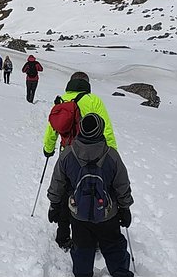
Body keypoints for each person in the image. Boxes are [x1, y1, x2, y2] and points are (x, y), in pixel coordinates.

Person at [47, 113, 134, 277]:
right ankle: (121, 273)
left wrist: (54, 205)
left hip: (79, 214)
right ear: (100, 130)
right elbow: (122, 185)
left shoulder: (68, 154)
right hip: (108, 215)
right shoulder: (111, 155)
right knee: (114, 245)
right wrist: (125, 208)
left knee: (82, 247)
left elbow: (57, 182)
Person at [43, 71, 119, 250]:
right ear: (87, 83)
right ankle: (94, 234)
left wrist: (48, 149)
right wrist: (112, 154)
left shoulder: (61, 100)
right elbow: (106, 128)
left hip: (67, 153)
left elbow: (52, 129)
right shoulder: (93, 100)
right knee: (93, 191)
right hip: (93, 155)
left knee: (65, 192)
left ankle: (63, 236)